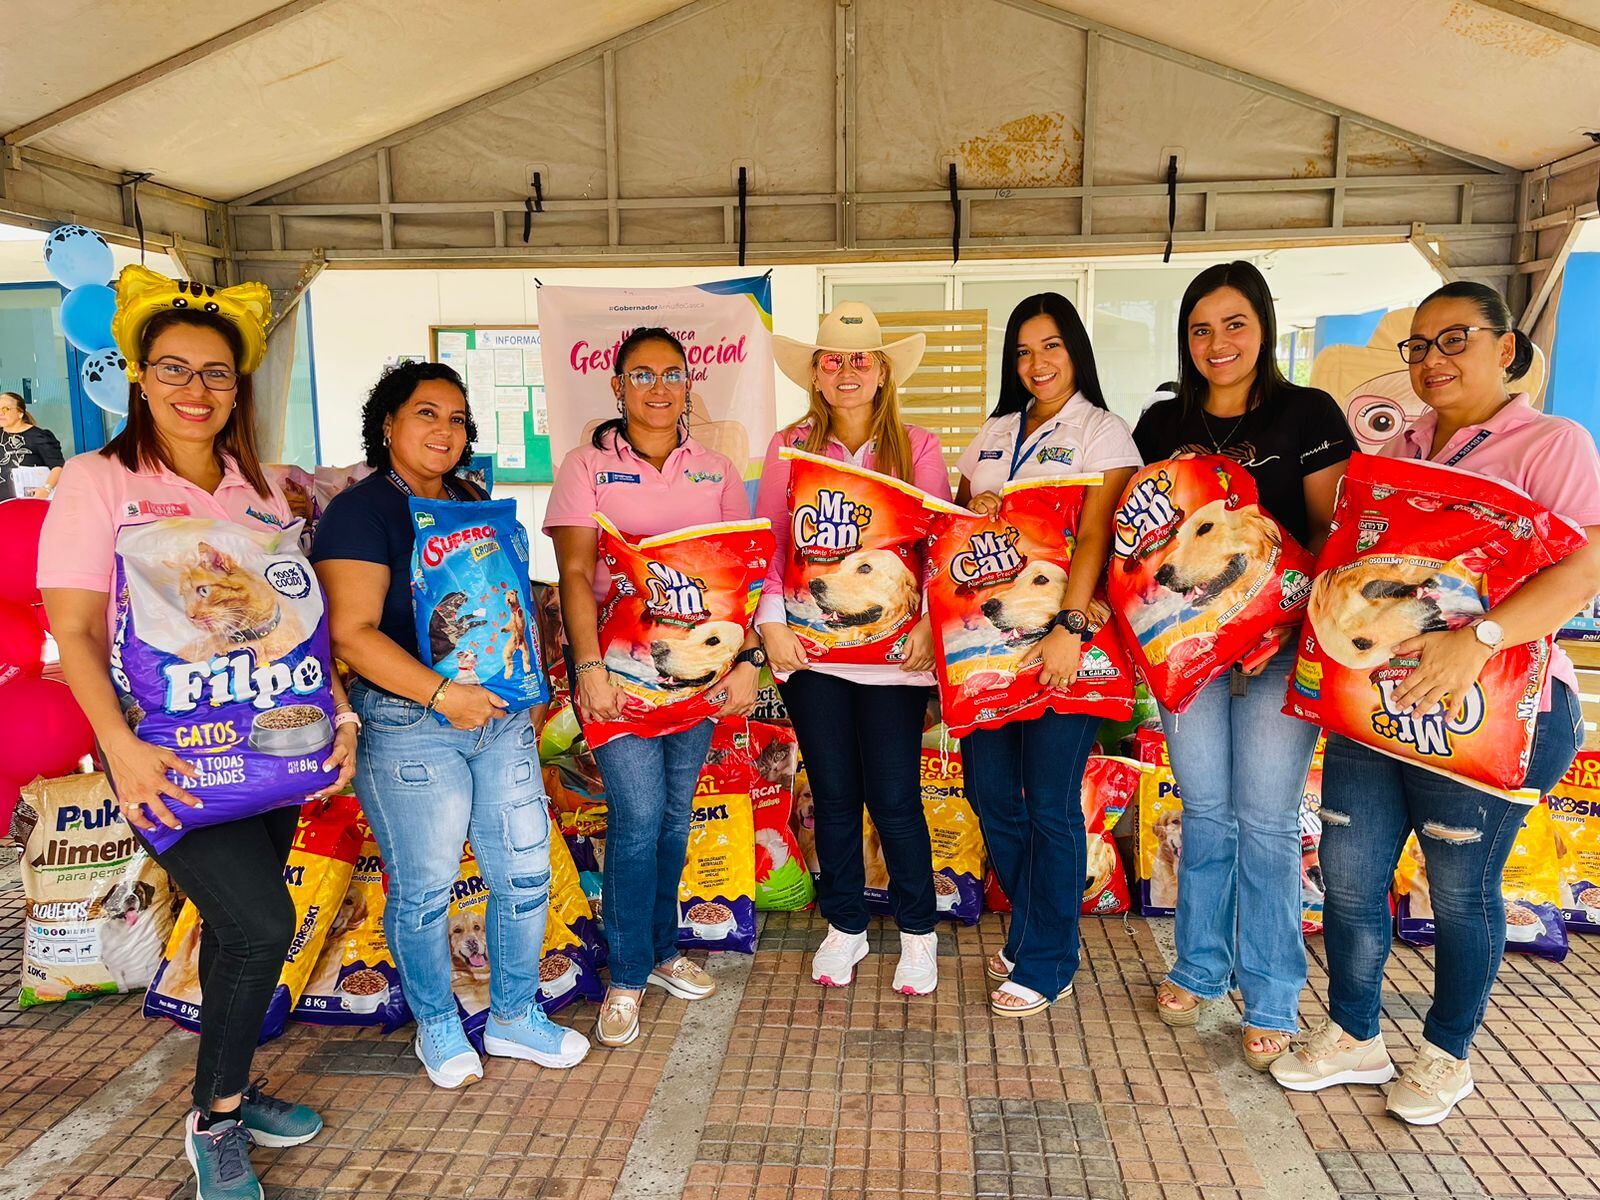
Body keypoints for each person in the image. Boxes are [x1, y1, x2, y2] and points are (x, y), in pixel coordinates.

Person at [39, 270, 354, 1200]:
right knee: (265, 926)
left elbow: (298, 623)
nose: (195, 390)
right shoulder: (99, 482)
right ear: (138, 376)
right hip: (170, 758)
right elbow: (78, 634)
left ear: (239, 389)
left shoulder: (259, 490)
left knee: (232, 932)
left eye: (217, 375)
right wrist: (121, 748)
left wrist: (333, 716)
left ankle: (235, 1085)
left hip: (270, 752)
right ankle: (214, 1122)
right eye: (173, 369)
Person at [1273, 282, 1600, 1124]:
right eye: (1418, 346)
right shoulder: (1395, 445)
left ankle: (1447, 1053)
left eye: (1454, 339)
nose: (1432, 360)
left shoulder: (1550, 442)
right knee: (1347, 877)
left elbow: (1586, 564)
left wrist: (1479, 640)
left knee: (1459, 890)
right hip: (1370, 705)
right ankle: (1354, 1034)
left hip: (1489, 712)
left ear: (1507, 348)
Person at [312, 360, 589, 1089]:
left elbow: (500, 603)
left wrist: (529, 681)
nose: (446, 430)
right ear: (388, 425)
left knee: (525, 872)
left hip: (496, 715)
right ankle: (437, 1025)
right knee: (427, 888)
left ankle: (513, 1015)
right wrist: (442, 696)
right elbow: (350, 632)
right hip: (410, 721)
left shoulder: (469, 499)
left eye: (458, 418)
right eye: (427, 413)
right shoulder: (360, 511)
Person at [1132, 260, 1355, 1069]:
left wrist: (1276, 629)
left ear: (1262, 326)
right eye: (1201, 328)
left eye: (1234, 324)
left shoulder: (1310, 415)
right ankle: (1197, 964)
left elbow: (1337, 536)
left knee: (1265, 820)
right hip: (1187, 653)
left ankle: (1271, 993)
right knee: (1206, 810)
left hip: (1276, 652)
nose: (1217, 343)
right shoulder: (1159, 426)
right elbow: (1140, 543)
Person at [546, 327, 758, 1048]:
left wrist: (745, 662)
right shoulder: (587, 465)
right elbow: (575, 574)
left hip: (697, 673)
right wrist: (588, 669)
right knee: (637, 826)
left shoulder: (717, 471)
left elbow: (742, 579)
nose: (659, 388)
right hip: (616, 678)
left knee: (672, 822)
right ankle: (628, 976)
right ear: (617, 387)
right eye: (642, 375)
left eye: (672, 374)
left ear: (689, 384)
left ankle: (664, 951)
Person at [953, 293, 1141, 1016]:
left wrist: (1071, 622)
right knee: (992, 793)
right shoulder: (994, 434)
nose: (1038, 363)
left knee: (1052, 804)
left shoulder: (1102, 433)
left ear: (1077, 351)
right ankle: (1038, 924)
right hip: (990, 649)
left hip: (1070, 646)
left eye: (1053, 345)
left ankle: (1049, 958)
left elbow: (1096, 536)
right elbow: (966, 530)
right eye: (1025, 350)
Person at [757, 301, 952, 995]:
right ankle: (844, 928)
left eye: (859, 359)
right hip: (811, 656)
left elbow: (936, 544)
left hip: (896, 657)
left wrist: (931, 620)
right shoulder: (788, 445)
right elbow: (769, 540)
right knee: (834, 795)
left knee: (896, 797)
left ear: (882, 371)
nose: (845, 371)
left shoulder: (919, 447)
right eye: (832, 359)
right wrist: (771, 621)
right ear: (815, 372)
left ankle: (918, 935)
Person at [0, 390, 65, 498]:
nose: (1, 413)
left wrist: (46, 489)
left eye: (5, 409)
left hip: (30, 501)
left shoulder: (39, 436)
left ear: (20, 413)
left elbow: (58, 467)